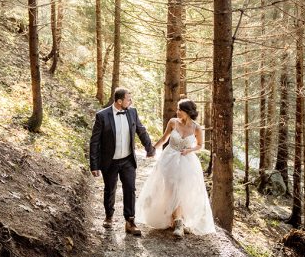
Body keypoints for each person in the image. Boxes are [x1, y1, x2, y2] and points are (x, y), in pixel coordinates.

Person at [136, 98, 215, 237]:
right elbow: (164, 138)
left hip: (187, 161)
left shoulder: (196, 128)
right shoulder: (173, 122)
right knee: (170, 188)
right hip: (169, 159)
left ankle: (179, 220)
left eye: (180, 110)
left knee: (183, 189)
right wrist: (153, 149)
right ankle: (176, 221)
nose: (177, 112)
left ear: (188, 112)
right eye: (177, 109)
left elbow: (200, 145)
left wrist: (189, 150)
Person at [90, 87, 156, 236]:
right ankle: (109, 216)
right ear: (119, 101)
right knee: (110, 189)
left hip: (127, 160)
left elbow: (141, 130)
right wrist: (94, 164)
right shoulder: (102, 116)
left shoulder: (132, 112)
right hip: (110, 161)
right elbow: (94, 141)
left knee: (130, 189)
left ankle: (130, 221)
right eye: (128, 99)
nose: (130, 101)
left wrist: (149, 148)